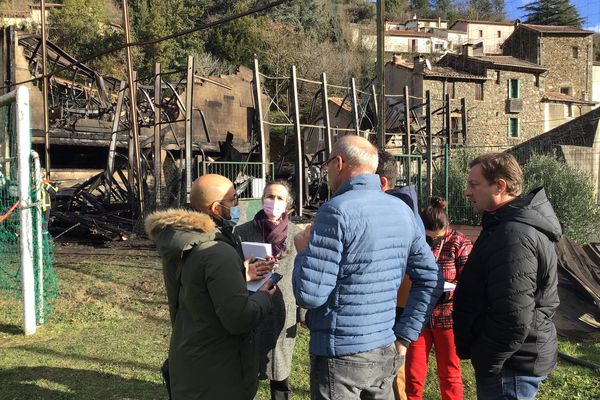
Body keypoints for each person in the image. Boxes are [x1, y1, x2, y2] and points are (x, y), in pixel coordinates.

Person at [292, 135, 443, 400]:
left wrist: (303, 252)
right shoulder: (402, 210)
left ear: (339, 163)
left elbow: (310, 294)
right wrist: (405, 335)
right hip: (384, 346)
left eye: (328, 164)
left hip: (340, 354)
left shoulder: (335, 210)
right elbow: (430, 277)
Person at [145, 174, 275, 400]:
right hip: (218, 370)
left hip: (190, 356)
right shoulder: (217, 251)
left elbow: (196, 287)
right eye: (234, 200)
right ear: (216, 208)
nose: (237, 205)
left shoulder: (182, 240)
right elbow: (238, 318)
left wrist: (238, 274)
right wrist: (264, 296)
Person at [453, 153, 562, 400]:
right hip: (513, 358)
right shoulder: (504, 225)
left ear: (499, 186)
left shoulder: (512, 234)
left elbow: (513, 313)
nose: (467, 192)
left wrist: (488, 359)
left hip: (510, 366)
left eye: (474, 184)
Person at [235, 180, 302, 400]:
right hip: (252, 307)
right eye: (270, 196)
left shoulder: (296, 234)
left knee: (280, 373)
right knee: (248, 371)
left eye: (280, 198)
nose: (274, 202)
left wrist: (303, 313)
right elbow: (233, 269)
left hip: (283, 311)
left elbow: (301, 273)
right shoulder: (242, 232)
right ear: (262, 199)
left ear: (288, 205)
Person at [404, 197, 472, 400]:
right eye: (428, 238)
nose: (433, 242)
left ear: (446, 228)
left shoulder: (459, 243)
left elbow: (469, 282)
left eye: (438, 239)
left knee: (449, 372)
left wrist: (449, 291)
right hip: (419, 316)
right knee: (413, 372)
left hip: (448, 317)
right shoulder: (415, 241)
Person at [376, 150, 425, 400]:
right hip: (393, 305)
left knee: (395, 377)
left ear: (382, 183)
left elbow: (426, 275)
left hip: (395, 307)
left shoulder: (400, 214)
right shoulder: (403, 209)